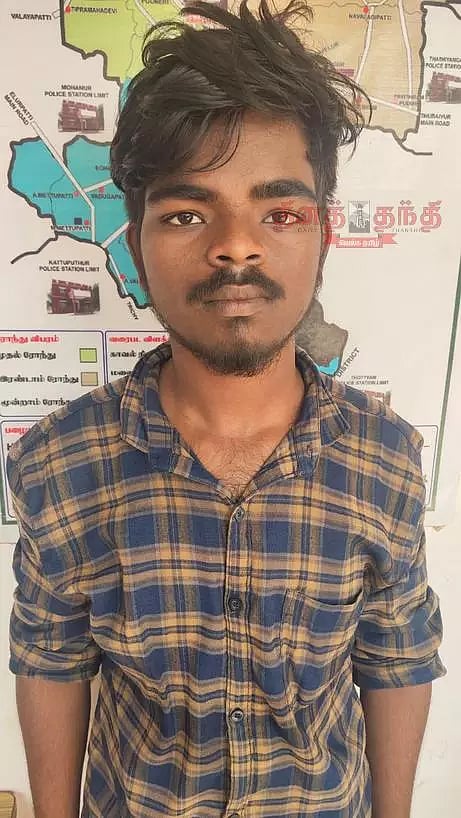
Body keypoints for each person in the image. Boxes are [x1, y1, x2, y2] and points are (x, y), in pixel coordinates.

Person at [7, 2, 446, 817]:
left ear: (322, 238)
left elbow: (396, 661)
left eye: (279, 213)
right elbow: (49, 663)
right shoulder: (58, 464)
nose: (236, 245)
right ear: (135, 247)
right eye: (186, 213)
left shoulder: (385, 456)